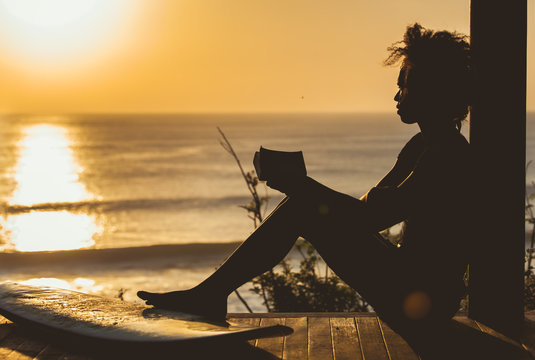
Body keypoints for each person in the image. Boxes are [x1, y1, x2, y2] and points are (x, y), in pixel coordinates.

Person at [138, 23, 473, 349]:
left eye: (405, 85)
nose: (397, 94)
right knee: (304, 205)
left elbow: (369, 219)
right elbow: (364, 213)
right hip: (410, 287)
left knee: (303, 205)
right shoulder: (422, 146)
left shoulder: (446, 154)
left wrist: (304, 188)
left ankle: (209, 296)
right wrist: (305, 191)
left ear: (432, 89)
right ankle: (209, 295)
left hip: (421, 302)